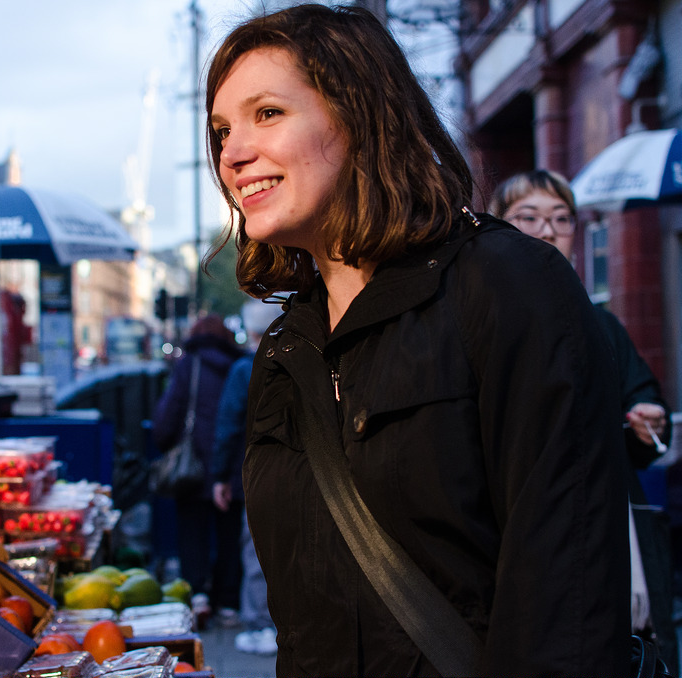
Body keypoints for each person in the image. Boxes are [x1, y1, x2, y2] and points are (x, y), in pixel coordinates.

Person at [205, 5, 630, 676]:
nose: (231, 153)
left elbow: (565, 602)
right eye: (222, 129)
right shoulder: (285, 350)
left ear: (359, 114)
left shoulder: (507, 286)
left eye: (267, 114)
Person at [490, 168, 677, 673]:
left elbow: (649, 423)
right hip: (519, 537)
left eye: (560, 219)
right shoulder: (485, 322)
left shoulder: (604, 326)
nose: (547, 231)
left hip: (613, 524)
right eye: (527, 217)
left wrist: (648, 421)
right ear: (498, 226)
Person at [151, 313, 244, 626]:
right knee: (230, 534)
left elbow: (169, 414)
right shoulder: (239, 366)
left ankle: (198, 595)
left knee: (192, 532)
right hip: (233, 465)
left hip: (193, 466)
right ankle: (228, 601)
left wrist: (164, 441)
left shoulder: (189, 366)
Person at [210, 299, 282, 655]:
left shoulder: (243, 369)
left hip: (254, 468)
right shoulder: (295, 357)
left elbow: (227, 426)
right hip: (293, 466)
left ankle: (259, 624)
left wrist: (219, 476)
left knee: (255, 549)